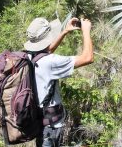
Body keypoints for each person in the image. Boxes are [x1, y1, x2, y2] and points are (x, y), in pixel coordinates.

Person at [23, 17, 93, 146]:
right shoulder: (51, 62)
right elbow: (88, 57)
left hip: (38, 122)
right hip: (51, 128)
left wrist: (64, 32)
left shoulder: (28, 56)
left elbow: (45, 52)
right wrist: (86, 30)